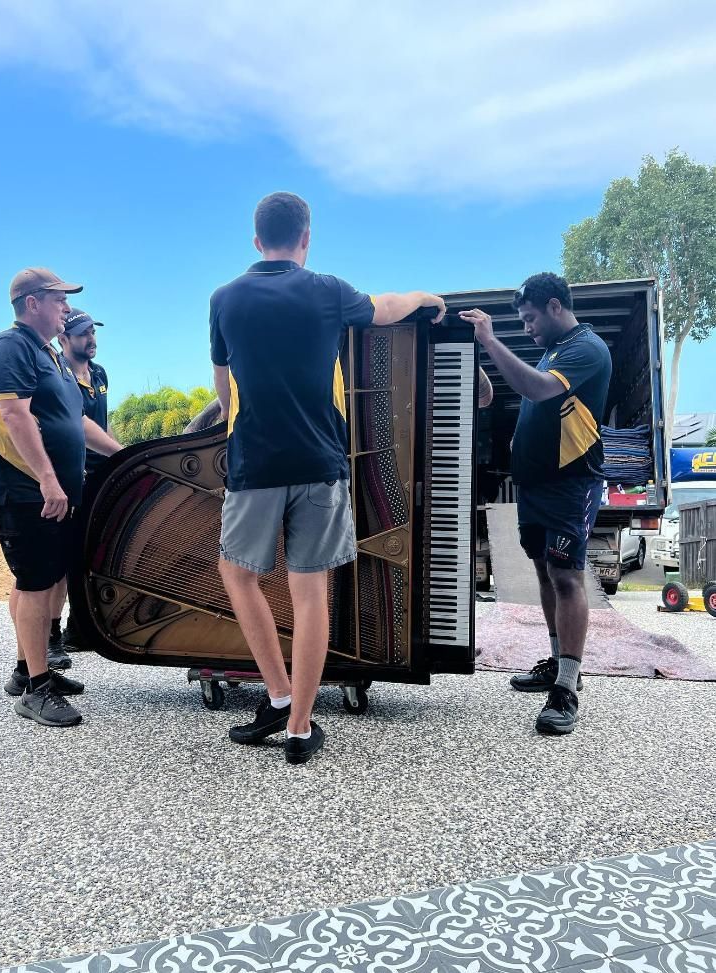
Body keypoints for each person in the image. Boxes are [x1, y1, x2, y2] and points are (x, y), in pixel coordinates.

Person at [210, 191, 446, 764]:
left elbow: (223, 383)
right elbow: (388, 306)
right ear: (306, 238)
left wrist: (236, 421)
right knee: (309, 590)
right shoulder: (327, 290)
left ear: (256, 238)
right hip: (320, 463)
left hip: (255, 463)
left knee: (237, 575)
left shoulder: (225, 298)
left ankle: (277, 692)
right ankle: (297, 725)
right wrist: (426, 297)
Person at [460, 272, 612, 736]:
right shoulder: (554, 348)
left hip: (570, 484)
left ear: (553, 306)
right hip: (535, 485)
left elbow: (537, 388)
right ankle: (557, 661)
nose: (527, 327)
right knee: (546, 571)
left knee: (567, 576)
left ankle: (566, 688)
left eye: (529, 319)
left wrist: (489, 341)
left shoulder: (586, 348)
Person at [0, 267, 122, 727]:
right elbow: (14, 415)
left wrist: (127, 455)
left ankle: (27, 671)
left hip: (51, 489)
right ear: (32, 302)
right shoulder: (11, 346)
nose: (66, 307)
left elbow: (76, 422)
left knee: (45, 578)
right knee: (37, 582)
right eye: (60, 299)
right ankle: (37, 690)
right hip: (25, 488)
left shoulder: (50, 357)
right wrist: (47, 479)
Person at [51, 308, 118, 653]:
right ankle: (52, 636)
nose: (91, 340)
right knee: (67, 556)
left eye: (93, 332)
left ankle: (80, 629)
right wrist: (120, 453)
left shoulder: (100, 374)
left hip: (102, 473)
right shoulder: (58, 375)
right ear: (63, 339)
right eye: (82, 334)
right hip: (72, 474)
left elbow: (101, 424)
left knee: (96, 551)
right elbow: (77, 424)